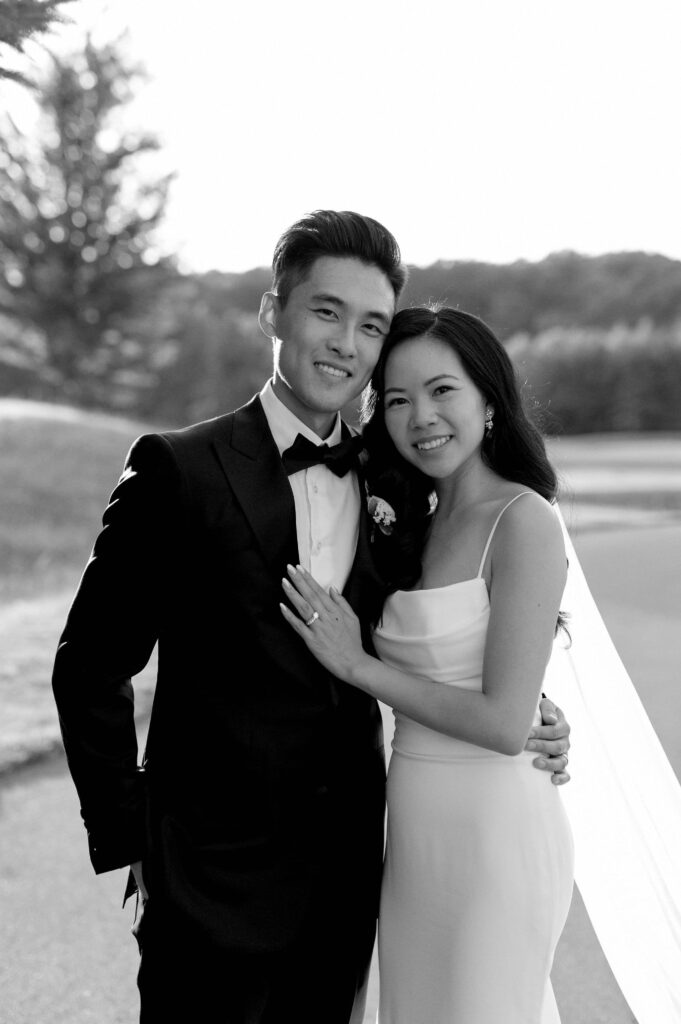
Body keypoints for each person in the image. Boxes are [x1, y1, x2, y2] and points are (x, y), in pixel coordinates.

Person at [52, 212, 570, 1024]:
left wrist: (530, 708)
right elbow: (89, 666)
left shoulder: (402, 483)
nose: (346, 344)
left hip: (355, 883)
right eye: (326, 312)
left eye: (369, 325)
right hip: (210, 884)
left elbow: (447, 628)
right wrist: (134, 841)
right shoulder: (178, 471)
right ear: (273, 314)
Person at [281, 305, 575, 1023]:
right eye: (399, 399)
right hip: (413, 831)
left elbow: (505, 725)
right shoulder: (407, 518)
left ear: (487, 397)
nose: (421, 417)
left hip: (495, 830)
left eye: (442, 391)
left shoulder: (524, 519)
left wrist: (359, 666)